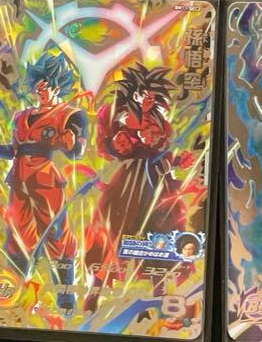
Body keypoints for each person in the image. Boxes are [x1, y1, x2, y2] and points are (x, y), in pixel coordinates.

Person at [83, 64, 197, 313]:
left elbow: (163, 154)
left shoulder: (159, 121)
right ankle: (95, 292)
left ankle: (159, 294)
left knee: (160, 234)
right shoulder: (117, 115)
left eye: (152, 96)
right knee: (113, 232)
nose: (148, 100)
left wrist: (178, 160)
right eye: (144, 94)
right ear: (134, 93)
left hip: (156, 183)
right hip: (128, 181)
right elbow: (106, 148)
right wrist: (124, 142)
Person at [0, 53, 87, 314]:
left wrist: (68, 140)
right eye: (37, 87)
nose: (40, 92)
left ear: (57, 87)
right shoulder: (22, 116)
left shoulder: (70, 115)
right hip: (20, 180)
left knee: (56, 234)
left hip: (46, 180)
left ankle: (66, 297)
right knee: (19, 235)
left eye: (45, 87)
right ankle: (16, 291)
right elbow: (15, 149)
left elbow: (77, 152)